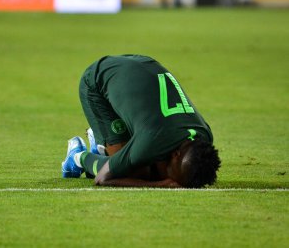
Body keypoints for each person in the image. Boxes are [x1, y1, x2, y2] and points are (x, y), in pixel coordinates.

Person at [61, 55, 221, 188]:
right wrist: (161, 184)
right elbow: (103, 178)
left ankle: (102, 142)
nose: (173, 182)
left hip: (142, 66)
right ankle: (78, 157)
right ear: (175, 154)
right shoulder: (152, 140)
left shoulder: (204, 139)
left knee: (144, 165)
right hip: (98, 80)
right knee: (133, 173)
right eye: (174, 176)